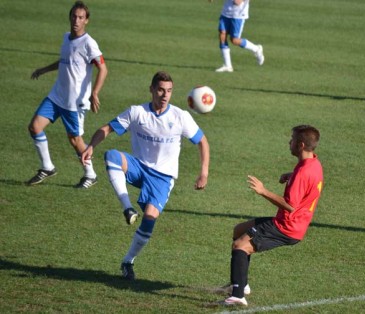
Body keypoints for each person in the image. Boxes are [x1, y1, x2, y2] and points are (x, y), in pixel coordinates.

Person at [81, 71, 210, 280]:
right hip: (139, 167)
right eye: (160, 90)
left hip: (163, 178)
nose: (164, 95)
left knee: (149, 221)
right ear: (151, 89)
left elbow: (202, 142)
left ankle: (128, 261)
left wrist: (203, 173)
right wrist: (90, 146)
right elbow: (107, 128)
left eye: (169, 91)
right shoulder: (136, 112)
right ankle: (127, 208)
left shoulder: (180, 117)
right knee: (112, 156)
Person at [218, 125, 323, 306]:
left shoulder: (303, 172)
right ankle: (242, 285)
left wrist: (263, 191)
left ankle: (237, 296)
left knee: (240, 246)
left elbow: (290, 206)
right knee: (239, 230)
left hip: (286, 226)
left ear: (301, 145)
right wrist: (291, 175)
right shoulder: (313, 163)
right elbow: (309, 182)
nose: (289, 142)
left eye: (292, 139)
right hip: (294, 223)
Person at [27, 1, 108, 188]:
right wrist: (44, 69)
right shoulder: (66, 37)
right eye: (74, 16)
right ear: (70, 17)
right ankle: (47, 167)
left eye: (81, 17)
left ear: (86, 20)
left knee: (74, 139)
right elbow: (65, 61)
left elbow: (103, 68)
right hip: (57, 96)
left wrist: (94, 92)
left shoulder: (89, 43)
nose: (76, 20)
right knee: (35, 127)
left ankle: (90, 174)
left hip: (74, 102)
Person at [211, 0, 264, 72]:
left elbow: (237, 2)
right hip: (226, 12)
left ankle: (256, 49)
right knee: (222, 34)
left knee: (234, 40)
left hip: (238, 15)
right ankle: (228, 66)